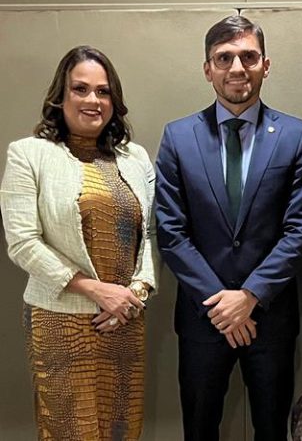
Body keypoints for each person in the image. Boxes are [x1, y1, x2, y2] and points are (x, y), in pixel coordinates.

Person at [155, 15, 302, 441]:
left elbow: (301, 229)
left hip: (270, 318)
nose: (237, 68)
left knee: (272, 430)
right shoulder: (178, 137)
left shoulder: (296, 135)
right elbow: (171, 231)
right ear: (207, 69)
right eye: (224, 58)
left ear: (266, 65)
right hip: (202, 318)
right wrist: (222, 304)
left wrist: (250, 296)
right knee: (199, 430)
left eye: (248, 57)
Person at [0, 46, 157, 440]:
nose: (93, 100)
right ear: (61, 96)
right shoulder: (29, 155)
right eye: (80, 89)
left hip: (124, 319)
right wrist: (96, 290)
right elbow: (22, 242)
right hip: (60, 321)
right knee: (69, 430)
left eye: (103, 91)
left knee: (122, 429)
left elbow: (148, 237)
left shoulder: (135, 158)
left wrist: (135, 293)